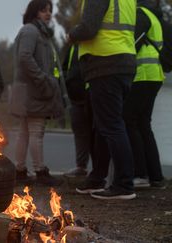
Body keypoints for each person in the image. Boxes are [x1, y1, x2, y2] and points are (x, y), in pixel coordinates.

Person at [68, 0, 137, 199]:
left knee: (111, 125)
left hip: (106, 63)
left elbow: (89, 28)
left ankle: (124, 184)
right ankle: (97, 178)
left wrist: (71, 35)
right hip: (121, 62)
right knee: (103, 126)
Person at [10, 0, 64, 186]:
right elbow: (25, 57)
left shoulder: (37, 32)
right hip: (34, 91)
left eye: (50, 10)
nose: (48, 13)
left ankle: (20, 171)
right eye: (43, 10)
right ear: (34, 12)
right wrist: (43, 79)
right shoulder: (31, 31)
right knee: (35, 132)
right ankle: (39, 171)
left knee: (25, 132)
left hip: (30, 90)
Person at [123, 0, 165, 189]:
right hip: (153, 75)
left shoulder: (140, 14)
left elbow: (133, 43)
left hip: (143, 75)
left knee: (129, 120)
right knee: (143, 124)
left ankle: (140, 174)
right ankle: (155, 176)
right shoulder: (153, 15)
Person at [62, 45, 94, 178]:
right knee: (79, 132)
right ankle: (81, 166)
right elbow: (64, 69)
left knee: (96, 133)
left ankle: (99, 170)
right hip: (75, 98)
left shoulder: (94, 42)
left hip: (92, 94)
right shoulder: (73, 47)